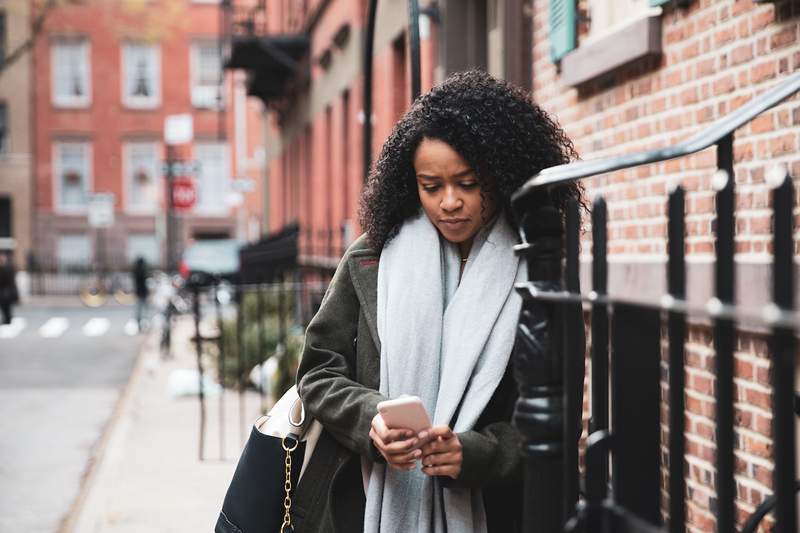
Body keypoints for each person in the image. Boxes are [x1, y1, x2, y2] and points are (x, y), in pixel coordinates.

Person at [294, 70, 585, 533]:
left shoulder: (539, 269)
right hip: (365, 504)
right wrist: (370, 420)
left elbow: (556, 415)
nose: (450, 202)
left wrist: (473, 453)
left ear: (502, 175)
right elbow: (318, 372)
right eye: (432, 187)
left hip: (496, 512)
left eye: (468, 184)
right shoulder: (374, 256)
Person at [0, 252, 18, 325]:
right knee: (3, 306)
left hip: (7, 291)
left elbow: (11, 281)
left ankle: (8, 319)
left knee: (7, 306)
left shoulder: (8, 267)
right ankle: (6, 319)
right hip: (2, 291)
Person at [132, 256, 149, 332]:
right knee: (143, 308)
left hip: (138, 292)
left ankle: (139, 323)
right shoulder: (142, 272)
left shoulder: (135, 271)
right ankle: (143, 323)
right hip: (143, 292)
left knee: (139, 308)